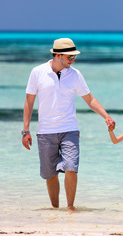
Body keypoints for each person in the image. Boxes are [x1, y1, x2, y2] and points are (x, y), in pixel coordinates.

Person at [22, 38, 115, 213]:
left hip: (70, 129)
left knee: (71, 168)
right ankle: (55, 211)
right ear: (58, 55)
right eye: (70, 57)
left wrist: (106, 116)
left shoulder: (75, 75)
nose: (73, 60)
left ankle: (71, 208)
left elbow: (89, 99)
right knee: (50, 175)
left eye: (74, 57)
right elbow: (29, 101)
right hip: (45, 131)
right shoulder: (37, 72)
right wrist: (25, 130)